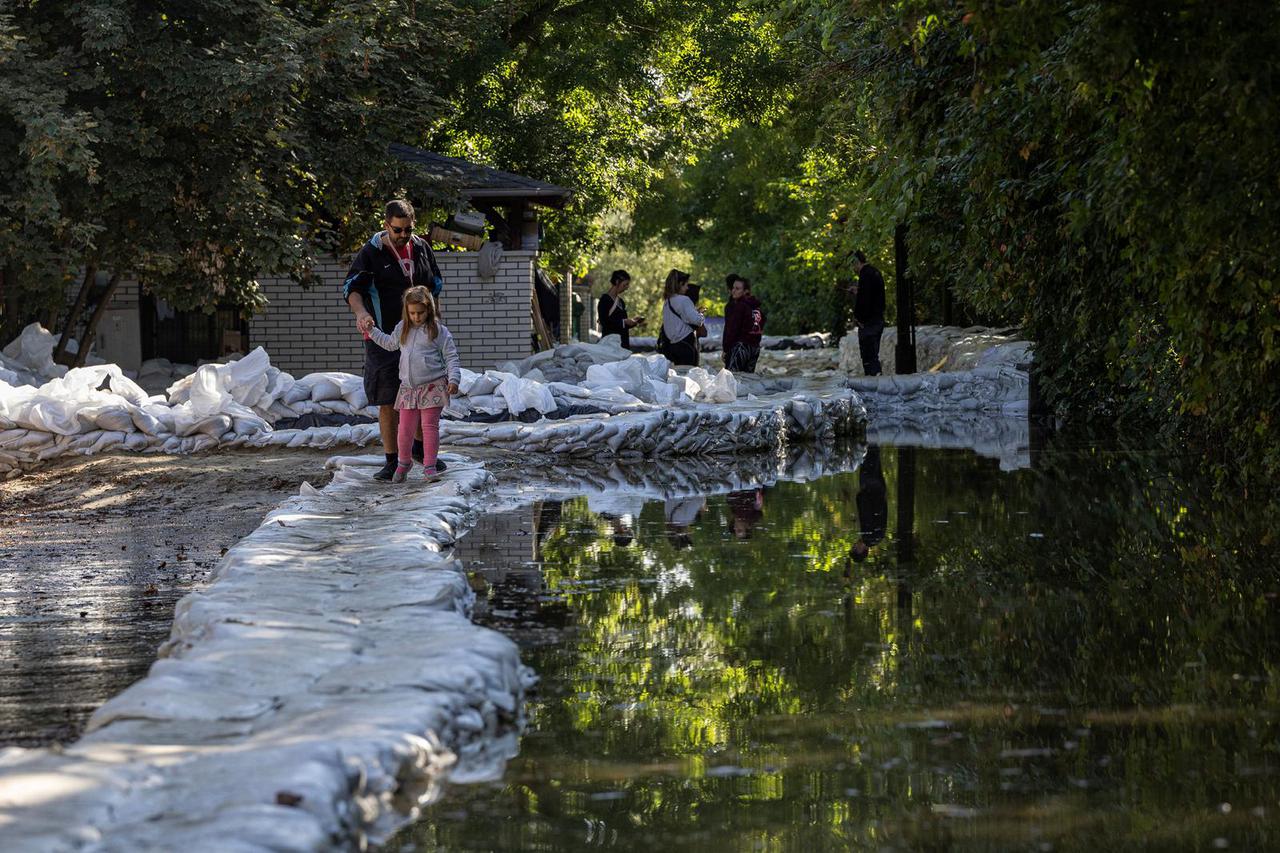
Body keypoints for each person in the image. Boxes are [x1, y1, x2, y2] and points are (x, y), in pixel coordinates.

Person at [344, 199, 446, 480]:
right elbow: (352, 288)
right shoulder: (371, 253)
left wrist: (435, 324)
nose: (403, 236)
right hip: (385, 335)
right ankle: (392, 460)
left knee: (422, 391)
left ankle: (421, 452)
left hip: (421, 336)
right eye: (397, 230)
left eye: (408, 230)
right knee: (388, 397)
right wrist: (362, 313)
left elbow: (435, 285)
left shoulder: (422, 249)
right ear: (386, 225)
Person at [364, 286, 461, 483]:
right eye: (412, 313)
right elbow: (389, 343)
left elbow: (451, 357)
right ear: (407, 311)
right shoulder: (402, 328)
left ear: (429, 309)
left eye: (421, 312)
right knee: (404, 429)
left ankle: (430, 466)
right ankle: (404, 462)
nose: (417, 317)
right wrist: (371, 331)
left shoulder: (438, 331)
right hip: (408, 389)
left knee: (429, 427)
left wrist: (454, 379)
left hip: (432, 387)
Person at [659, 269, 705, 366]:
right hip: (686, 344)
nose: (687, 288)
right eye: (686, 285)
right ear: (680, 284)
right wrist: (700, 314)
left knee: (677, 376)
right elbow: (696, 321)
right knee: (688, 377)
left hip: (672, 346)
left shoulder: (667, 301)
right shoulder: (684, 300)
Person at [851, 250, 886, 376]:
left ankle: (875, 388)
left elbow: (865, 301)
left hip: (868, 323)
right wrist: (858, 291)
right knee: (873, 356)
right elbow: (873, 295)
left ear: (857, 262)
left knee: (869, 359)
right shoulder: (875, 272)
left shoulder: (864, 275)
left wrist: (859, 319)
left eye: (852, 265)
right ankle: (877, 383)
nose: (852, 268)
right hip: (878, 320)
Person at [849, 445, 887, 562]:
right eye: (855, 548)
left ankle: (874, 437)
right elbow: (866, 513)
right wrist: (860, 496)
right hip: (871, 490)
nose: (854, 545)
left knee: (874, 459)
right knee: (868, 460)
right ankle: (871, 434)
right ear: (861, 551)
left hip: (879, 491)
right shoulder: (868, 537)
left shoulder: (877, 538)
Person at [722, 274, 765, 373]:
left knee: (731, 378)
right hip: (755, 348)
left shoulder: (738, 306)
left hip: (740, 347)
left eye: (737, 288)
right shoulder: (757, 308)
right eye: (733, 288)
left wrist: (726, 349)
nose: (733, 291)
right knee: (747, 380)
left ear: (746, 291)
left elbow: (731, 329)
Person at [597, 269, 645, 348]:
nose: (626, 288)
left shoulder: (621, 301)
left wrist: (633, 321)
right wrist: (624, 322)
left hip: (623, 344)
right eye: (625, 285)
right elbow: (604, 322)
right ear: (617, 282)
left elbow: (621, 323)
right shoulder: (605, 300)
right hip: (611, 346)